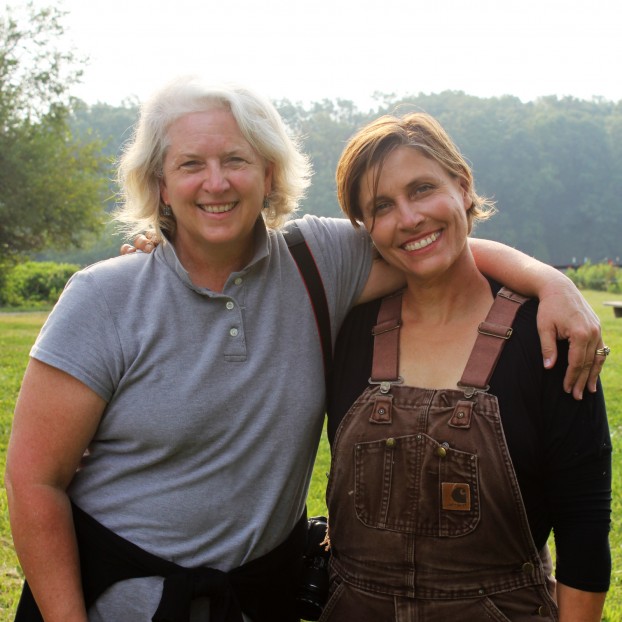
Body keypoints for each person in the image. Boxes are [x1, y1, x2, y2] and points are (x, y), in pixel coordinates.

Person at [4, 76, 605, 622]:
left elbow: (429, 243)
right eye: (191, 165)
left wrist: (550, 281)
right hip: (119, 605)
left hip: (261, 602)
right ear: (160, 183)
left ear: (269, 173)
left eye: (235, 160)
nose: (216, 182)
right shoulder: (103, 297)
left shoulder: (317, 261)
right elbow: (35, 479)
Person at [322, 112, 611, 621]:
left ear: (463, 186)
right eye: (382, 206)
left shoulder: (547, 339)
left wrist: (552, 284)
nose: (408, 218)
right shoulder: (347, 332)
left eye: (423, 188)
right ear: (366, 228)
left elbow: (584, 523)